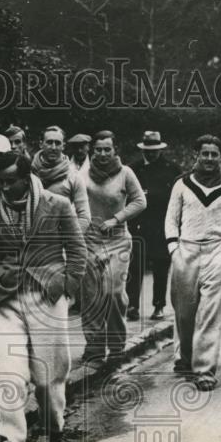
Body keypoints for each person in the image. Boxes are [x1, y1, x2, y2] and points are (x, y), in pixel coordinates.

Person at [0, 152, 86, 442]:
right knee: (6, 370)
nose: (4, 187)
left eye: (10, 181)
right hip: (7, 296)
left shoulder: (57, 205)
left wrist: (66, 288)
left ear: (27, 179)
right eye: (0, 181)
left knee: (48, 374)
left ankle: (54, 426)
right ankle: (11, 441)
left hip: (46, 295)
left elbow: (77, 250)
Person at [165, 134, 221, 391]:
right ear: (196, 156)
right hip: (186, 251)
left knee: (210, 313)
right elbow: (171, 219)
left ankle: (205, 370)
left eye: (214, 154)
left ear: (220, 157)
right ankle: (186, 359)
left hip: (217, 252)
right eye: (205, 154)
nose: (209, 158)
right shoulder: (182, 185)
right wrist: (174, 249)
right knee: (185, 312)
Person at [77, 130, 146, 367]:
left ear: (115, 150)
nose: (103, 153)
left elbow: (140, 201)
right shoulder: (81, 175)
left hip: (118, 242)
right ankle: (94, 347)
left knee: (114, 293)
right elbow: (72, 204)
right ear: (91, 151)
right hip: (90, 242)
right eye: (98, 149)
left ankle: (116, 347)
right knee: (92, 295)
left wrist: (116, 219)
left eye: (108, 149)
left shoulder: (126, 173)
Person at [126, 131, 181, 322]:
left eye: (154, 150)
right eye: (147, 150)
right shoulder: (133, 169)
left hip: (162, 226)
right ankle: (132, 305)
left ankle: (159, 305)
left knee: (161, 266)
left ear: (160, 149)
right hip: (138, 225)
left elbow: (178, 199)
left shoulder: (172, 170)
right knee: (134, 267)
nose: (151, 154)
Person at [30, 125, 91, 232]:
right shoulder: (30, 173)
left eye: (57, 143)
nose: (53, 147)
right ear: (41, 144)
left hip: (59, 241)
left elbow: (84, 216)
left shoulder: (73, 177)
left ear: (63, 146)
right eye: (49, 142)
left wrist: (70, 241)